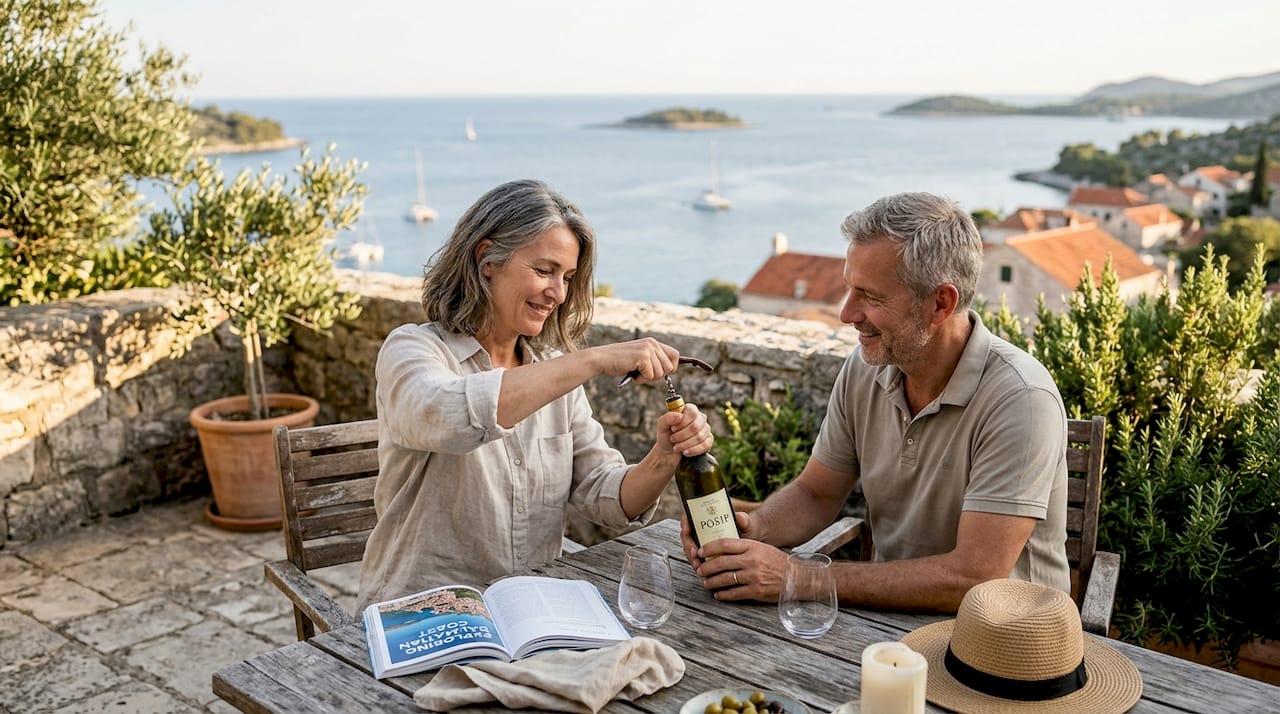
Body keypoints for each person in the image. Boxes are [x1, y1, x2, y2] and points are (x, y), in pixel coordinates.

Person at [682, 192, 1069, 612]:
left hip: (1007, 645)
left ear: (941, 303)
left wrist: (797, 576)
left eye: (870, 296)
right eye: (850, 288)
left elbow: (973, 578)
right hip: (888, 626)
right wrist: (753, 530)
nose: (846, 313)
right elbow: (816, 494)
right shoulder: (867, 368)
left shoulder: (1021, 399)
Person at [357, 179, 712, 611]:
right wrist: (592, 360)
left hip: (533, 610)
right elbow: (450, 416)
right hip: (425, 610)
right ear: (487, 259)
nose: (559, 293)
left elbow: (605, 497)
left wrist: (664, 456)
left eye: (567, 277)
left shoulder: (554, 371)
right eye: (545, 271)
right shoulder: (411, 350)